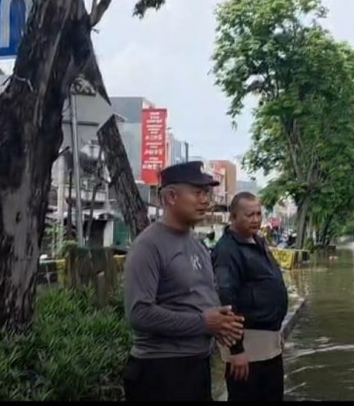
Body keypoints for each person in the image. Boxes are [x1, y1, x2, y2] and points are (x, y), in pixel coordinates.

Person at [123, 161, 245, 401]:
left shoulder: (197, 245)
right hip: (160, 371)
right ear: (171, 197)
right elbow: (138, 313)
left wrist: (227, 332)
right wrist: (203, 322)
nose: (205, 200)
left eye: (207, 193)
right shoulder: (148, 246)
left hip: (196, 366)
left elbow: (206, 299)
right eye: (198, 193)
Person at [213, 192, 289, 402]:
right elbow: (226, 298)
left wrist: (276, 330)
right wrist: (236, 350)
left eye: (258, 214)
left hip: (269, 343)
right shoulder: (228, 250)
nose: (256, 219)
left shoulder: (258, 242)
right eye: (249, 215)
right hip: (247, 348)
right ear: (233, 217)